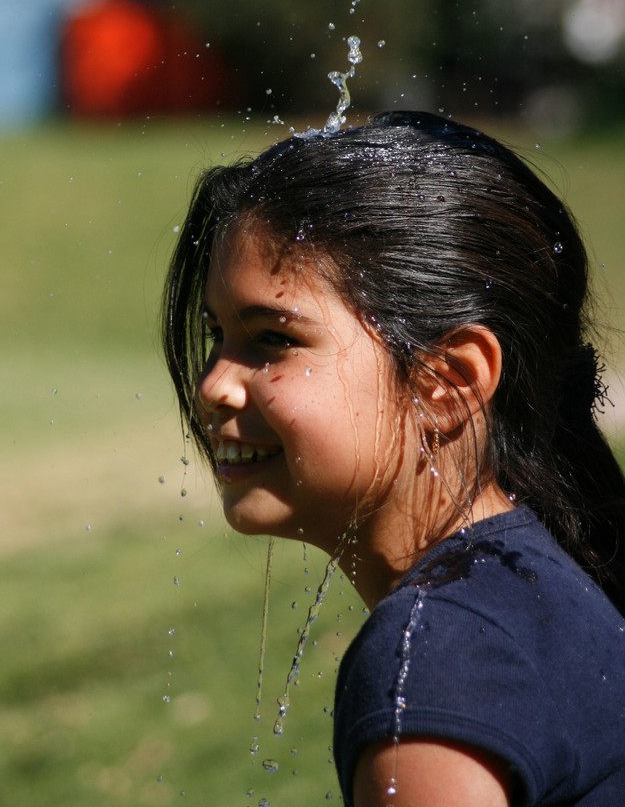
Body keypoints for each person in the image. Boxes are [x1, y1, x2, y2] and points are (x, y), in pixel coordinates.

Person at [162, 111, 625, 806]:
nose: (213, 384)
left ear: (448, 382)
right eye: (217, 334)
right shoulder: (532, 590)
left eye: (271, 339)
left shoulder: (438, 652)